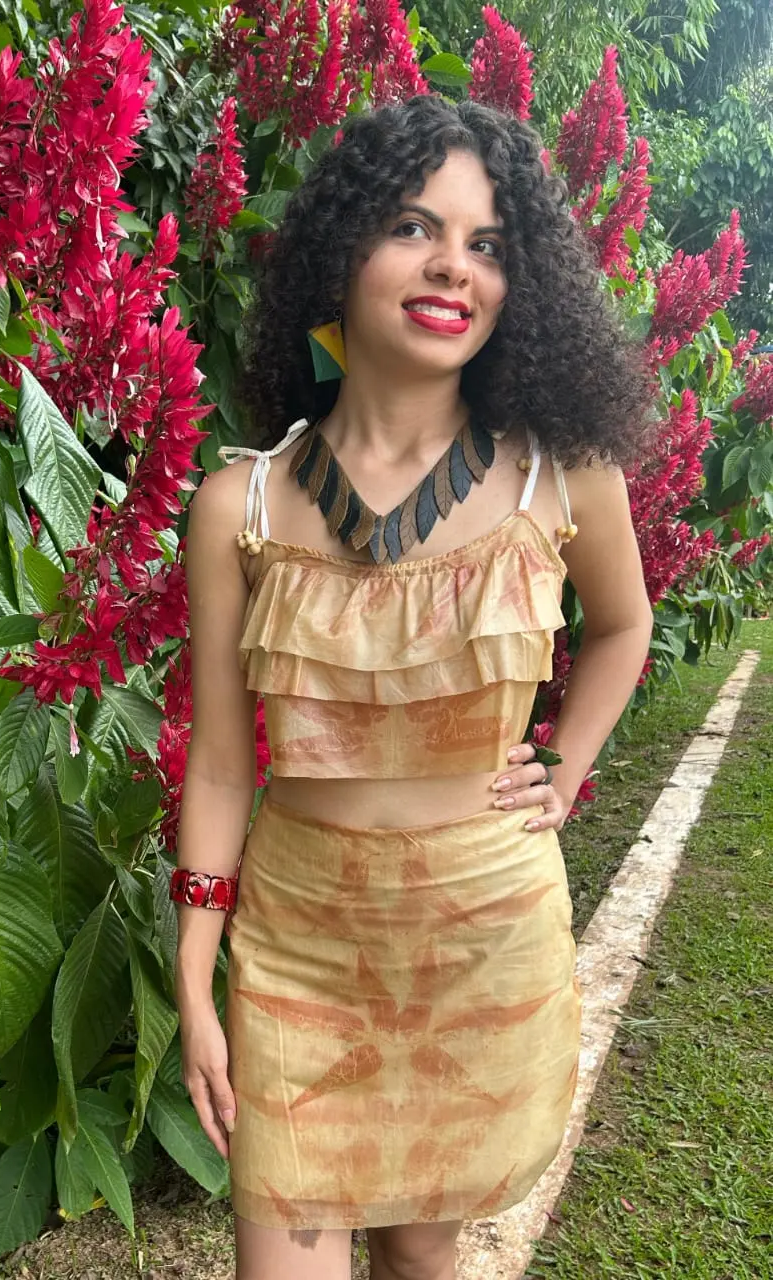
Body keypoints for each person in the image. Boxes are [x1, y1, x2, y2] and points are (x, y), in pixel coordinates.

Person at [172, 95, 654, 1280]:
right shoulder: (238, 505)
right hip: (299, 951)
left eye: (485, 244)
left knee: (418, 1255)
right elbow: (223, 763)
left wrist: (563, 771)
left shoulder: (561, 478)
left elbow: (621, 624)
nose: (451, 267)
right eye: (411, 227)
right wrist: (194, 972)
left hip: (483, 938)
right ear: (340, 253)